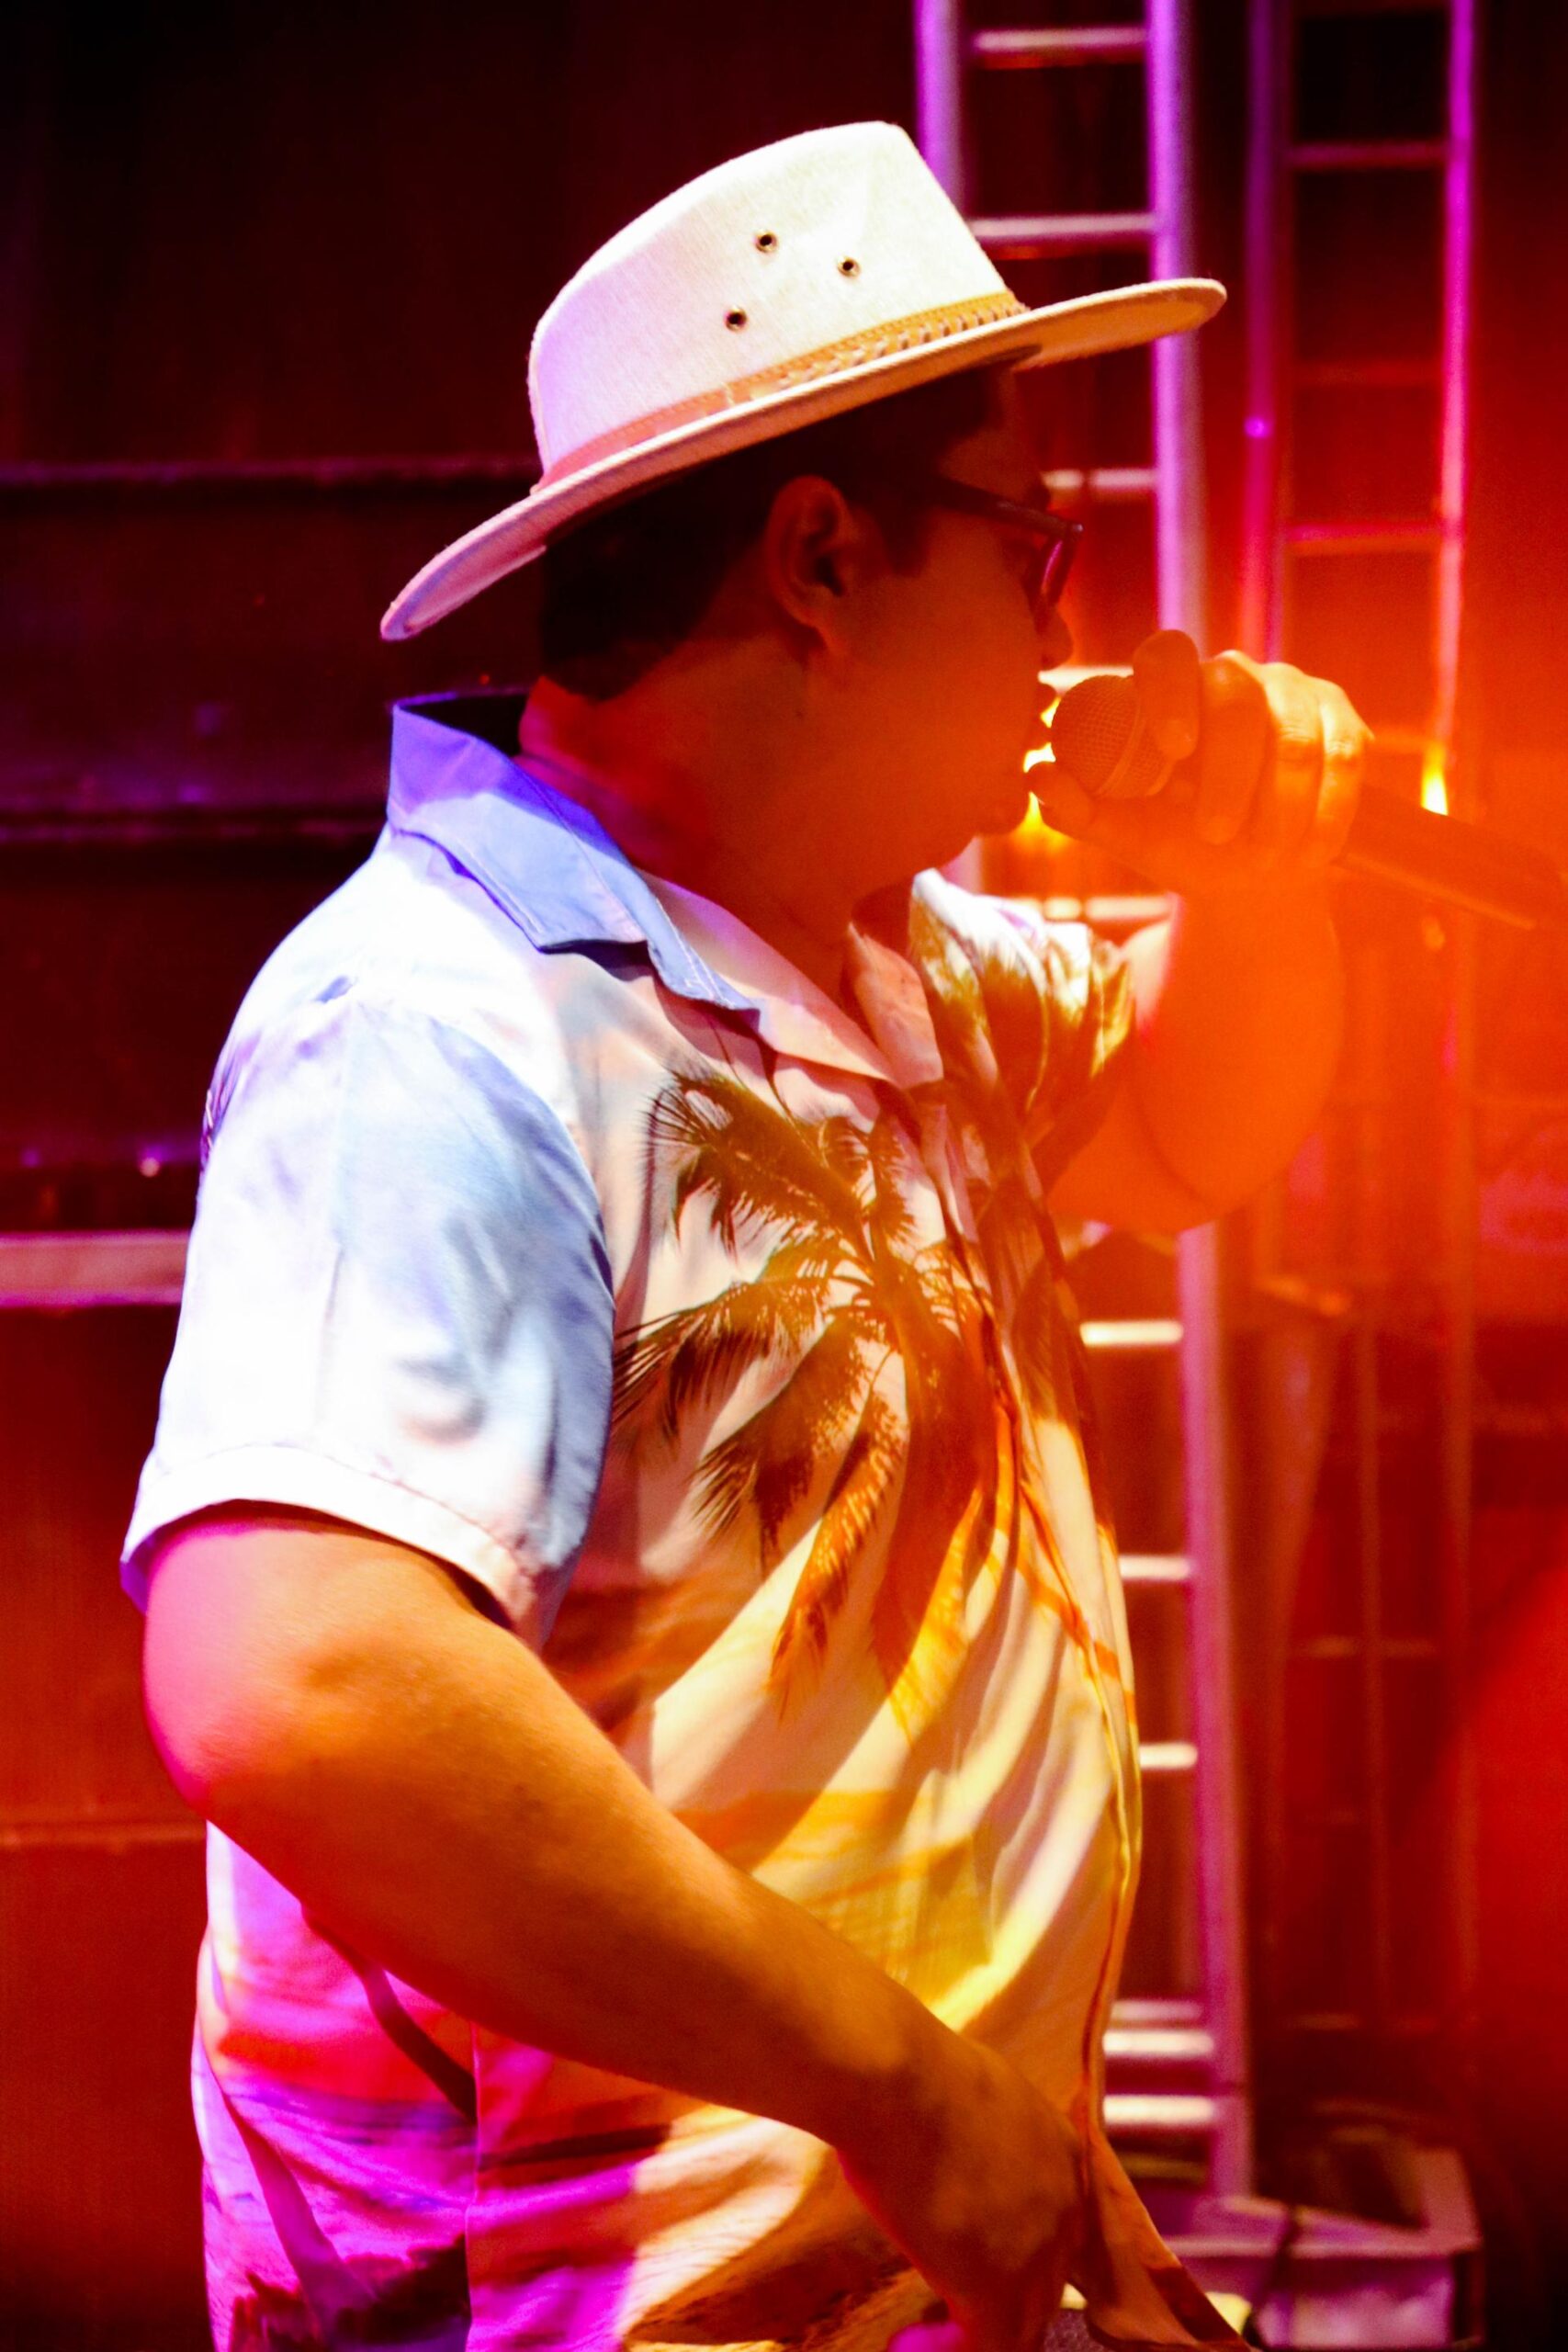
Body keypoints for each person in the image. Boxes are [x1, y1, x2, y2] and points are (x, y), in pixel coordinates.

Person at [127, 125, 1364, 2352]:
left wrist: (1263, 878)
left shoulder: (889, 964)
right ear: (819, 559)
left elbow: (1188, 1131)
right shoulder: (441, 1022)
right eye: (1033, 548)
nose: (1063, 620)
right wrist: (897, 2085)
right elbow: (290, 1683)